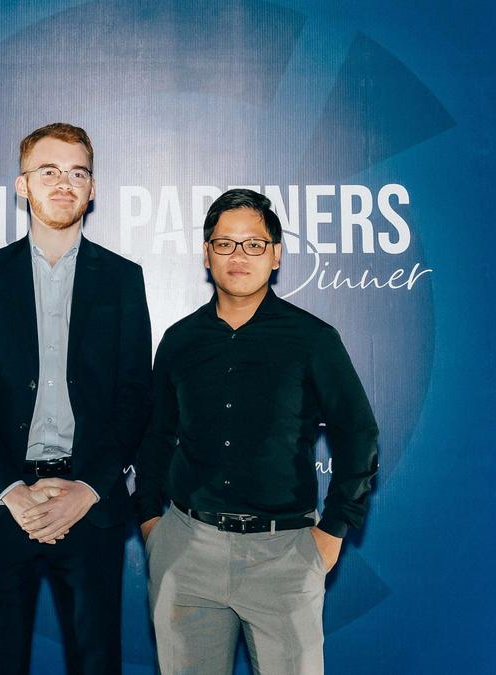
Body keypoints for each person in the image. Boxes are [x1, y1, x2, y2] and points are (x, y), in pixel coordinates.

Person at [134, 188, 379, 674]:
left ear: (276, 254)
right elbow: (156, 435)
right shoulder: (180, 340)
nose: (238, 256)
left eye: (253, 244)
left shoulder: (313, 339)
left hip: (285, 555)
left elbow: (358, 433)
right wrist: (148, 521)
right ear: (207, 254)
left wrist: (333, 531)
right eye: (225, 244)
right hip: (186, 551)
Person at [0, 122, 152, 675]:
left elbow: (136, 397)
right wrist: (13, 492)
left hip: (89, 506)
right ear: (23, 185)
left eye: (78, 173)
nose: (65, 182)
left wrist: (87, 489)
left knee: (97, 662)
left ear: (92, 189)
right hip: (0, 505)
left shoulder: (123, 279)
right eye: (49, 171)